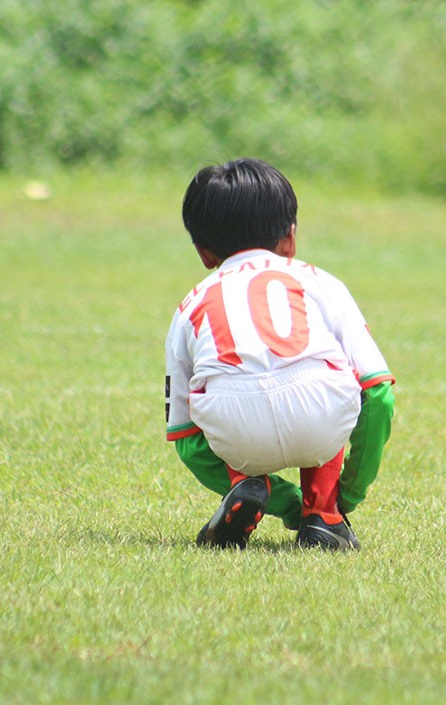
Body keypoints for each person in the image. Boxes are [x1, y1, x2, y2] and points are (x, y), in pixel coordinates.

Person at [166, 158, 396, 551]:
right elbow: (377, 391)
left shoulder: (190, 304)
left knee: (220, 400)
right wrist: (348, 494)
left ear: (204, 252)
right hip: (320, 418)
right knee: (329, 376)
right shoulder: (320, 282)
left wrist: (282, 502)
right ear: (290, 238)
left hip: (235, 432)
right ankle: (323, 515)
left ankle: (246, 487)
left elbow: (185, 436)